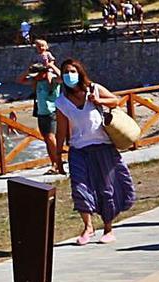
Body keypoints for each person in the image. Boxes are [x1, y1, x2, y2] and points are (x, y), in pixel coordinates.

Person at [54, 59, 137, 245]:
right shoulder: (61, 102)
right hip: (78, 150)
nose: (69, 75)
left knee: (106, 189)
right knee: (80, 187)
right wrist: (57, 156)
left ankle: (108, 228)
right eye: (65, 72)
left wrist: (99, 101)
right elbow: (60, 131)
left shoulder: (94, 89)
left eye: (72, 71)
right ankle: (88, 227)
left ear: (80, 72)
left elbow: (116, 101)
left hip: (103, 147)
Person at [19, 62, 64, 174]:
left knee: (50, 138)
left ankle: (59, 163)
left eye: (38, 74)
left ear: (44, 72)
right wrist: (28, 71)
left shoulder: (52, 81)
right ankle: (54, 164)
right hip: (41, 113)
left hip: (52, 112)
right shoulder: (36, 82)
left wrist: (51, 66)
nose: (36, 77)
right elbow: (20, 80)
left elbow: (62, 78)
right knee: (47, 140)